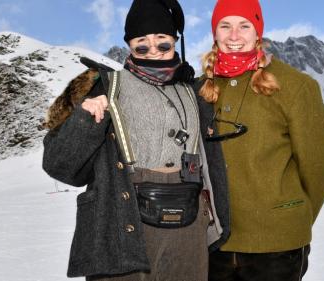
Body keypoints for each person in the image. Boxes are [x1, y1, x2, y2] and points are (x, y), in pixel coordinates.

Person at [42, 0, 229, 280]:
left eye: (162, 43)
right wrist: (85, 119)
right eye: (141, 44)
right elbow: (59, 165)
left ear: (175, 41)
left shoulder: (194, 91)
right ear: (129, 45)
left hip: (189, 225)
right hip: (126, 221)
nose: (152, 50)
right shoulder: (105, 85)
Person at [195, 0, 324, 280]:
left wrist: (291, 218)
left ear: (258, 31)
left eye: (244, 25)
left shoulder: (296, 86)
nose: (234, 36)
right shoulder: (201, 88)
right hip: (214, 245)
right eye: (225, 26)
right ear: (215, 32)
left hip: (277, 247)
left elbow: (317, 168)